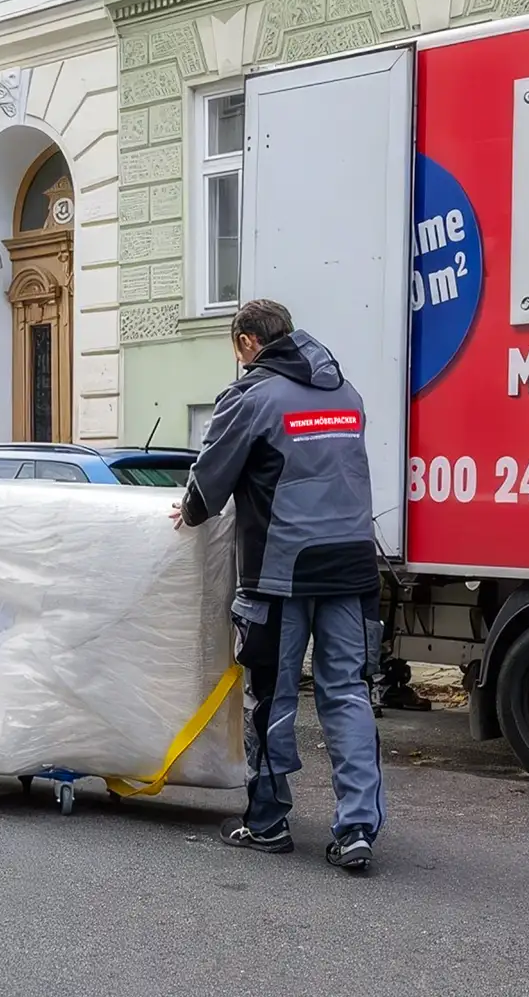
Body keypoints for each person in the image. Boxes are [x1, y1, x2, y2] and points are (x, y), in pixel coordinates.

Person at [172, 299, 385, 871]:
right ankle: (357, 828)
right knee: (348, 694)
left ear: (247, 342)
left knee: (271, 697)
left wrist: (189, 511)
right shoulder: (347, 394)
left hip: (281, 572)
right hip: (353, 568)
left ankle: (268, 823)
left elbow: (209, 483)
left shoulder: (252, 397)